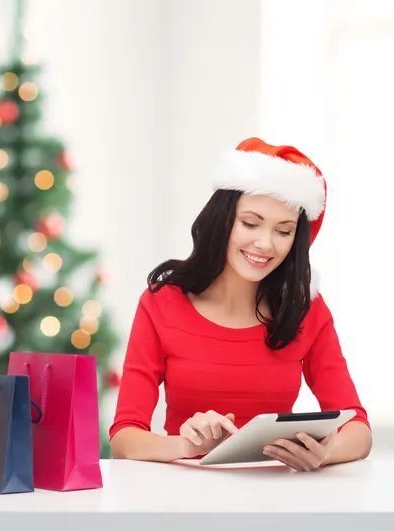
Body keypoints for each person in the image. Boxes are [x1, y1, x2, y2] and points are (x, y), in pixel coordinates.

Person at [109, 137, 372, 471]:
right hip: (182, 497)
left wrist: (324, 452)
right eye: (250, 223)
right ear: (224, 220)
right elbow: (124, 439)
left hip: (273, 499)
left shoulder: (306, 309)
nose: (264, 244)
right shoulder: (162, 304)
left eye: (283, 231)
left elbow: (359, 431)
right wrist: (189, 446)